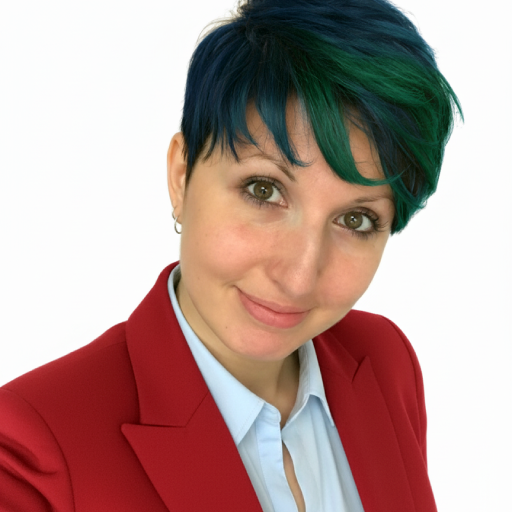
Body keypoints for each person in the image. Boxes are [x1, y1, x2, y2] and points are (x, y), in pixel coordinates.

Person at [0, 0, 462, 511]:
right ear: (182, 176)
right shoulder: (32, 449)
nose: (298, 277)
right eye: (264, 190)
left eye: (355, 220)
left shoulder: (384, 362)